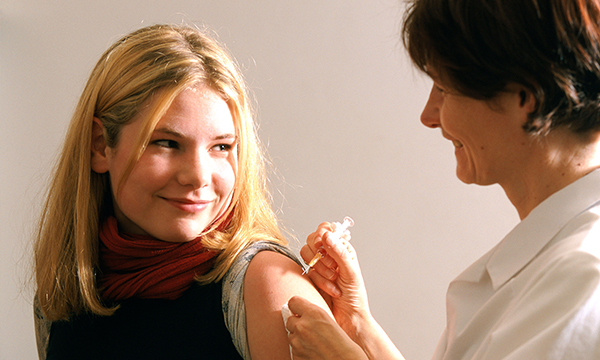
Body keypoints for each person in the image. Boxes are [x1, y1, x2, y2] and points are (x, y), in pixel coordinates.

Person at [285, 0, 600, 359]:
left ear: (527, 96)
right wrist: (358, 324)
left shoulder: (586, 276)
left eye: (444, 89)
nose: (429, 116)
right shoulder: (555, 259)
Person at [33, 24, 330, 360]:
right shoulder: (64, 293)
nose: (198, 176)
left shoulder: (267, 285)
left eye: (221, 147)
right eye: (167, 143)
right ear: (100, 146)